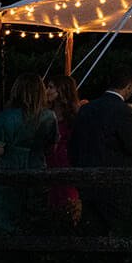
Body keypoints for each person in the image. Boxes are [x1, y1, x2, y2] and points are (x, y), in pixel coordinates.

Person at [70, 66, 132, 233]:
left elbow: (74, 143)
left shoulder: (87, 109)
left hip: (87, 177)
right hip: (115, 182)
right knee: (121, 228)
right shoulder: (124, 112)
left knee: (91, 228)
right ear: (130, 86)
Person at [0, 74, 58, 233]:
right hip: (37, 169)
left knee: (5, 223)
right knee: (34, 221)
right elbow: (50, 148)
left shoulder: (5, 116)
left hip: (8, 171)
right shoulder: (48, 116)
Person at [44, 76, 80, 220]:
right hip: (48, 161)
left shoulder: (73, 116)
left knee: (66, 200)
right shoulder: (46, 115)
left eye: (51, 87)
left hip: (65, 162)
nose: (47, 91)